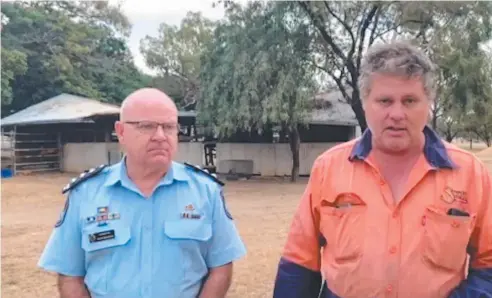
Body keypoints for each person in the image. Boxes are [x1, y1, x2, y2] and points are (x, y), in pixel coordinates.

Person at [272, 41, 492, 298]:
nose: (397, 113)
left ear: (428, 104)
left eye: (409, 100)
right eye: (385, 101)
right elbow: (299, 263)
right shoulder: (329, 169)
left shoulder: (469, 174)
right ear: (365, 102)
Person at [38, 88, 247, 298]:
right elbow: (69, 274)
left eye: (169, 127)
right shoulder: (86, 193)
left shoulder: (205, 191)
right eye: (146, 126)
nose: (160, 136)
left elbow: (221, 266)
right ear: (120, 132)